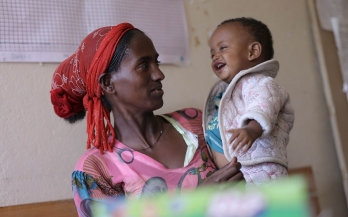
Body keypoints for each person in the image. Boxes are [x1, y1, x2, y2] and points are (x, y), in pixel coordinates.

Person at [50, 23, 244, 217]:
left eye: (156, 63)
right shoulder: (95, 170)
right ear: (108, 83)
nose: (159, 74)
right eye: (143, 66)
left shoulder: (194, 123)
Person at [203, 17, 294, 187]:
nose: (215, 56)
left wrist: (252, 129)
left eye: (223, 47)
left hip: (261, 172)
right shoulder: (227, 92)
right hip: (239, 175)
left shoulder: (260, 82)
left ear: (252, 51)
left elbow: (263, 105)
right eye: (212, 53)